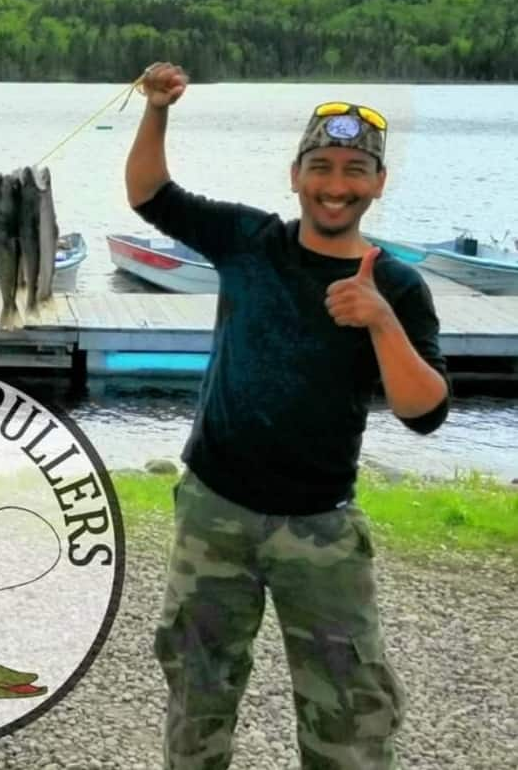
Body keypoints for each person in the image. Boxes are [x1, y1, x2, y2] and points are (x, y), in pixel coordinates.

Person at [125, 63, 451, 770]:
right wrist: (157, 109)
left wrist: (381, 321)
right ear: (296, 173)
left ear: (379, 183)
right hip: (214, 512)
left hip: (322, 529)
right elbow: (150, 194)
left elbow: (425, 412)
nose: (337, 184)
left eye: (356, 170)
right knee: (197, 694)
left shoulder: (395, 284)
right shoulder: (249, 241)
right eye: (323, 166)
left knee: (350, 714)